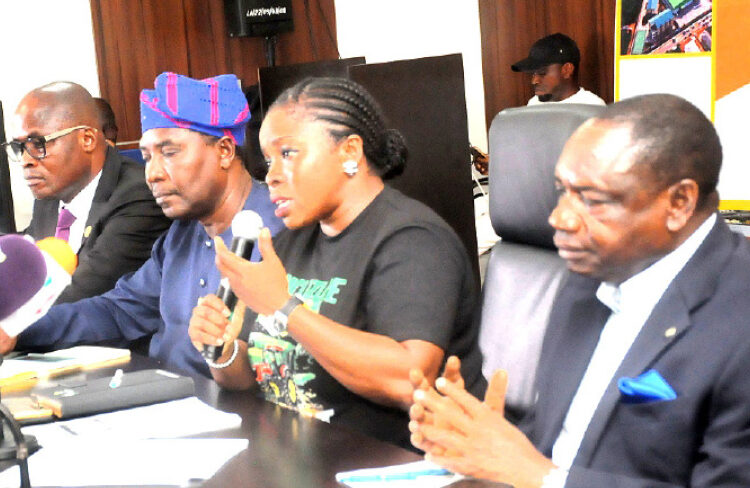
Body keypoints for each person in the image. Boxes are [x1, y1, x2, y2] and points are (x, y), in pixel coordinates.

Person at [409, 94, 750, 487]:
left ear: (678, 202)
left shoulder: (738, 319)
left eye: (591, 199)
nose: (559, 218)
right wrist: (476, 443)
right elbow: (560, 440)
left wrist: (533, 474)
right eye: (562, 191)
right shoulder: (588, 277)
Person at [188, 77, 484, 447]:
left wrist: (284, 307)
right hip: (295, 459)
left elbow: (407, 380)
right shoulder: (292, 242)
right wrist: (222, 347)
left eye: (289, 153)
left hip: (390, 465)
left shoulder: (413, 240)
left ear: (349, 152)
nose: (272, 174)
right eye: (267, 160)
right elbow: (249, 378)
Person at [0, 72, 283, 379]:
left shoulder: (282, 229)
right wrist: (16, 331)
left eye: (170, 152)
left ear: (225, 151)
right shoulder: (181, 235)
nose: (153, 173)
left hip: (236, 413)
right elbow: (119, 311)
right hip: (163, 399)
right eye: (147, 156)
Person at [4, 82, 170, 304]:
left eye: (38, 144)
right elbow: (29, 253)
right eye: (20, 147)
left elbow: (84, 293)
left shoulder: (138, 195)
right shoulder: (50, 195)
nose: (26, 161)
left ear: (88, 140)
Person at [512, 33, 606, 106]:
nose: (534, 81)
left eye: (542, 73)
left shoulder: (591, 107)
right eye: (533, 73)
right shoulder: (534, 105)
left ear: (567, 70)